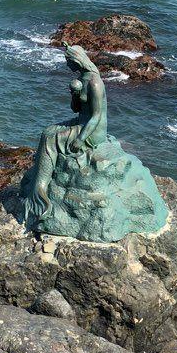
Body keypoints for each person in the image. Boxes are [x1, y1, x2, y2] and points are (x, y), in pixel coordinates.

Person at [23, 44, 107, 222]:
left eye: (69, 62)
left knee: (50, 139)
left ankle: (40, 190)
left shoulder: (95, 82)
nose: (68, 66)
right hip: (80, 122)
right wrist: (75, 94)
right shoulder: (81, 80)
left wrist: (80, 139)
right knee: (47, 132)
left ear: (77, 60)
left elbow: (97, 116)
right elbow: (76, 109)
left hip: (92, 130)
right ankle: (38, 184)